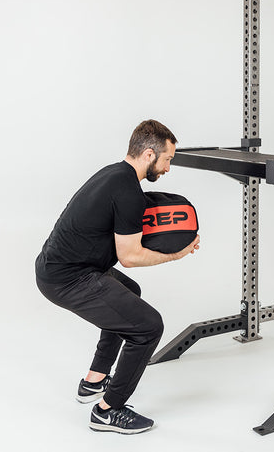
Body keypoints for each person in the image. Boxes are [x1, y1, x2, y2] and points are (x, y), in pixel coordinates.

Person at [35, 119, 199, 434]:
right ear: (150, 155)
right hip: (68, 278)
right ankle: (108, 411)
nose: (168, 168)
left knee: (129, 292)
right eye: (168, 159)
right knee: (149, 327)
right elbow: (130, 256)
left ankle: (93, 381)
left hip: (60, 266)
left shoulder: (114, 174)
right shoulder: (128, 192)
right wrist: (177, 253)